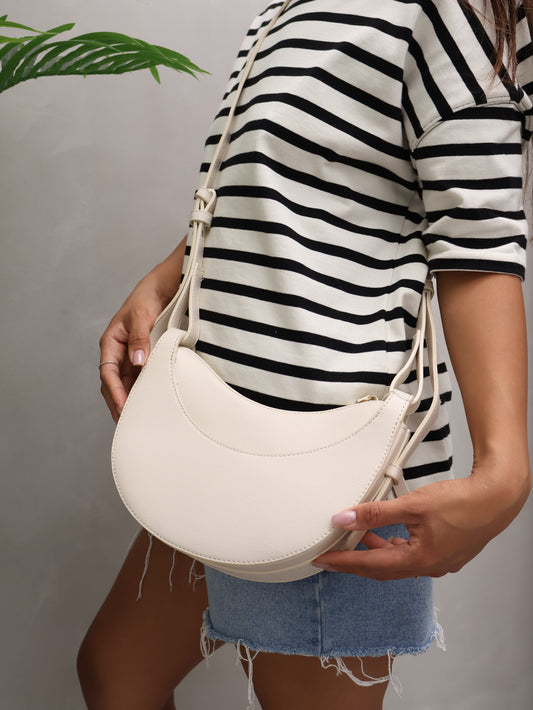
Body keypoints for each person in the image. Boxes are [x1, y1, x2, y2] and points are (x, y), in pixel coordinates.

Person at [77, 0, 532, 708]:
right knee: (116, 676)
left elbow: (477, 242)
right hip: (217, 435)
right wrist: (166, 278)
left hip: (332, 474)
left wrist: (503, 469)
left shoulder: (443, 12)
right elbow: (285, 186)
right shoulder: (289, 8)